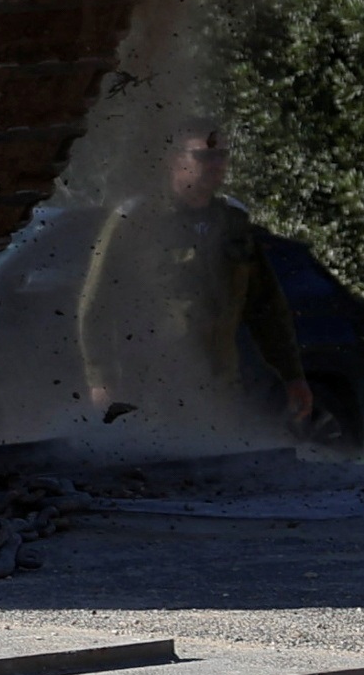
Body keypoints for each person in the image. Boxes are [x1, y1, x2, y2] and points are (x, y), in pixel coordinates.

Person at [75, 122, 314, 442]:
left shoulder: (233, 222)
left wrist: (292, 375)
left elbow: (267, 308)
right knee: (154, 476)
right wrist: (101, 379)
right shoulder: (135, 222)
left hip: (219, 388)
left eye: (222, 156)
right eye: (205, 156)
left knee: (210, 476)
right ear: (176, 160)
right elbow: (96, 305)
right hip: (151, 388)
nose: (217, 165)